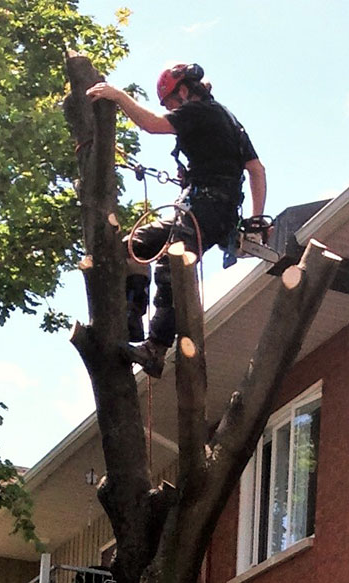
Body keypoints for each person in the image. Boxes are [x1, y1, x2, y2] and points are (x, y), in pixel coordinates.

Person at [86, 63, 267, 378]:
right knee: (133, 245)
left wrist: (117, 96)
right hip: (198, 204)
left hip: (209, 208)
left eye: (170, 100)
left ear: (184, 90)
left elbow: (153, 124)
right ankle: (131, 316)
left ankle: (156, 347)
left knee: (171, 264)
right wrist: (253, 219)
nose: (170, 109)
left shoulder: (201, 111)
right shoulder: (225, 119)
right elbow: (256, 169)